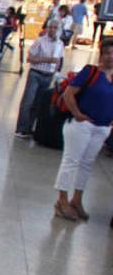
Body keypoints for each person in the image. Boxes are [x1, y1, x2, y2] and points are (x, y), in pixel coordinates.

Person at [52, 39, 113, 222]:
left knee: (86, 164)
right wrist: (78, 114)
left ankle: (77, 199)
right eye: (108, 53)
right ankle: (62, 200)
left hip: (102, 127)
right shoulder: (91, 72)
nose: (111, 57)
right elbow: (69, 93)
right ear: (101, 55)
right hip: (81, 125)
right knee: (71, 161)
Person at [15, 20, 66, 139]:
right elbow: (30, 58)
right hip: (36, 73)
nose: (52, 30)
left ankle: (29, 128)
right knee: (28, 101)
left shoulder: (60, 44)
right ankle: (21, 128)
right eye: (51, 27)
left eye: (55, 28)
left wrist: (57, 72)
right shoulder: (40, 41)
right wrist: (48, 60)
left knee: (38, 103)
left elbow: (59, 60)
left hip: (48, 75)